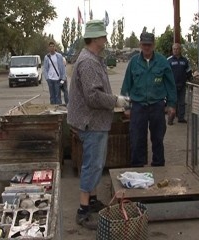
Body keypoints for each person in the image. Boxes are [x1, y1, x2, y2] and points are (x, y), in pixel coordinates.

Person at [67, 20, 129, 230]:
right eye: (103, 35)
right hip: (91, 122)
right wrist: (116, 100)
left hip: (93, 122)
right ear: (94, 39)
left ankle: (92, 202)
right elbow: (93, 96)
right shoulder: (89, 62)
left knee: (95, 164)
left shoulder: (93, 59)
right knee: (92, 165)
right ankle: (83, 211)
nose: (106, 38)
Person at [121, 32, 177, 167]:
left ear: (154, 45)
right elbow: (126, 86)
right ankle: (137, 167)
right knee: (137, 139)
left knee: (158, 139)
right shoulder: (133, 62)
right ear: (140, 45)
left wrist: (171, 104)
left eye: (149, 45)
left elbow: (170, 85)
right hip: (138, 106)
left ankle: (158, 166)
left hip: (157, 106)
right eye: (144, 45)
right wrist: (127, 107)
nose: (146, 48)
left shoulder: (162, 62)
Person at [167, 43, 193, 124]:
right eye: (174, 49)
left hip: (182, 85)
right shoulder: (169, 60)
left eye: (177, 49)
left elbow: (188, 72)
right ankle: (170, 119)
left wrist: (191, 80)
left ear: (180, 49)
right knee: (172, 102)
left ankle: (181, 118)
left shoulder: (185, 60)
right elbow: (165, 73)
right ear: (172, 50)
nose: (175, 50)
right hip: (172, 86)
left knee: (181, 102)